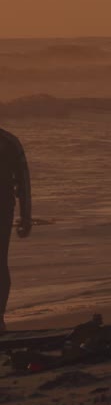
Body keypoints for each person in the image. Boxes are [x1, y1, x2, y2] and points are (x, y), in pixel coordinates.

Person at [0, 128, 32, 332]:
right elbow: (24, 183)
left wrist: (26, 217)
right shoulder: (10, 141)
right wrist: (26, 216)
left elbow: (23, 182)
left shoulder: (9, 142)